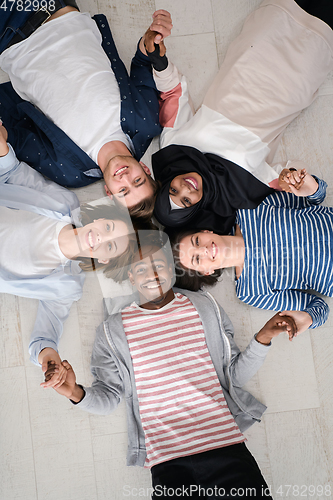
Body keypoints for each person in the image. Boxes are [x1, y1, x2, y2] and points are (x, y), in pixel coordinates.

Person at [43, 233, 298, 499]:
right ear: (131, 277)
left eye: (159, 265)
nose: (151, 274)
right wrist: (74, 391)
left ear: (171, 271)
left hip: (226, 448)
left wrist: (263, 338)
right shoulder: (112, 331)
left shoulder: (204, 307)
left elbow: (233, 375)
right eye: (141, 268)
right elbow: (108, 397)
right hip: (168, 464)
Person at [151, 0, 333, 234]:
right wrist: (291, 177)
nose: (185, 188)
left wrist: (159, 62)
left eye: (173, 191)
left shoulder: (173, 149)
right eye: (186, 201)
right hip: (291, 85)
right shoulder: (242, 192)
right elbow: (288, 175)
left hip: (252, 57)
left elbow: (174, 95)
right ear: (196, 209)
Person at [0, 2, 173, 217]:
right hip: (57, 10)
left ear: (109, 192)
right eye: (138, 180)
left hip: (10, 35)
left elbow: (17, 136)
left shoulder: (70, 172)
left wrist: (3, 142)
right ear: (145, 169)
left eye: (123, 191)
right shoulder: (146, 123)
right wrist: (150, 41)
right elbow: (141, 64)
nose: (126, 178)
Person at [0, 125, 134, 384]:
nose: (100, 237)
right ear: (99, 219)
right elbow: (13, 173)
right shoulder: (64, 204)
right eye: (107, 228)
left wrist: (50, 362)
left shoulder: (66, 287)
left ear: (104, 260)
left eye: (110, 245)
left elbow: (45, 339)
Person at [173, 169, 333, 335]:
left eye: (197, 241)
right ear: (206, 272)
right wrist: (307, 318)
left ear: (206, 232)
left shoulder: (250, 210)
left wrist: (312, 187)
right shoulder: (250, 292)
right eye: (197, 259)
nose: (204, 249)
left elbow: (314, 199)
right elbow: (319, 308)